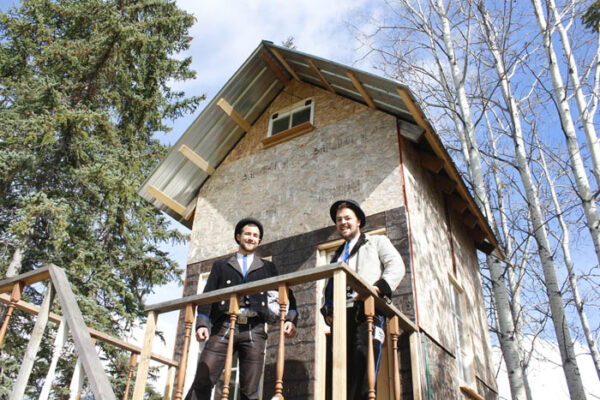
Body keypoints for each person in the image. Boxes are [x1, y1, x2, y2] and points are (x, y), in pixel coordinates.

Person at [185, 217, 298, 400]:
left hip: (254, 329)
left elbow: (287, 295)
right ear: (239, 236)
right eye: (247, 234)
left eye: (255, 236)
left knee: (250, 389)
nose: (251, 238)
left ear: (259, 240)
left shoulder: (268, 267)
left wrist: (291, 319)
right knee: (203, 379)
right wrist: (202, 323)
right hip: (223, 327)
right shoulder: (221, 266)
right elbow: (207, 296)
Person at [320, 200, 405, 400]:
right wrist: (327, 309)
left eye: (347, 218)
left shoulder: (376, 242)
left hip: (367, 313)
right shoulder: (337, 256)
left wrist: (379, 288)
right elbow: (329, 286)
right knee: (341, 371)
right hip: (341, 318)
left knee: (363, 368)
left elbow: (397, 266)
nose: (343, 222)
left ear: (358, 221)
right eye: (339, 220)